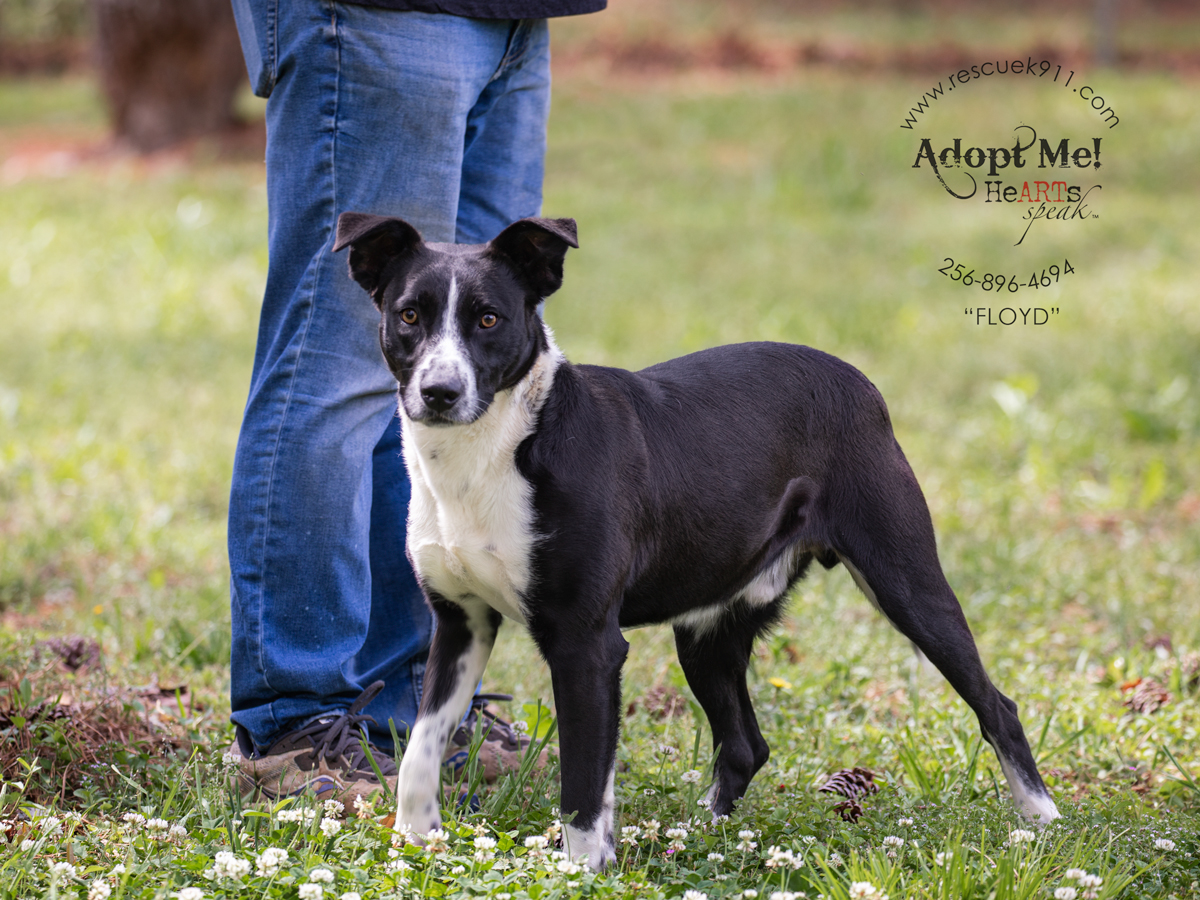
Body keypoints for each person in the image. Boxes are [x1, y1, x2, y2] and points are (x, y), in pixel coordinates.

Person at [227, 0, 603, 805]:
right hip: (375, 14)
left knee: (472, 340)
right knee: (334, 372)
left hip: (520, 18)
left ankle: (406, 708)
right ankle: (299, 718)